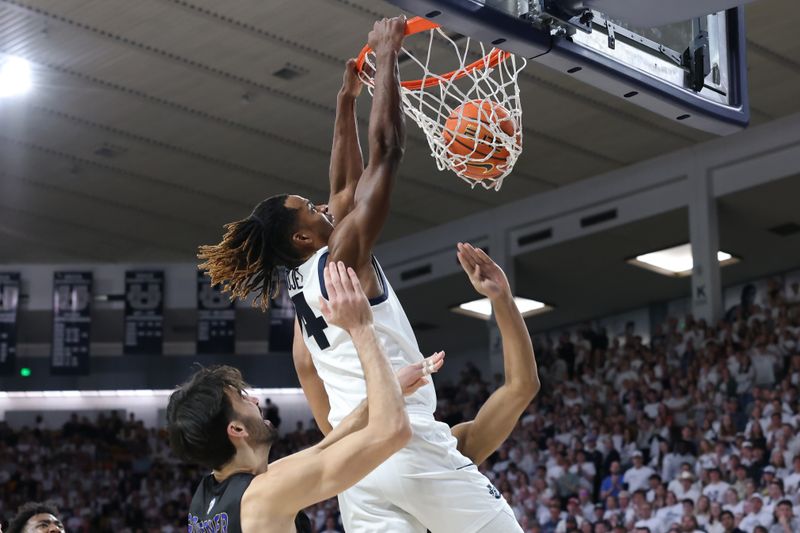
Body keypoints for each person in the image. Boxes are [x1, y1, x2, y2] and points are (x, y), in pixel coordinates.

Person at [197, 12, 533, 532]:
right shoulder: (341, 258)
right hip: (407, 441)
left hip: (357, 472)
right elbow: (387, 153)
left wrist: (346, 102)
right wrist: (387, 59)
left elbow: (342, 190)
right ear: (303, 237)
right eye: (309, 208)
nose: (323, 206)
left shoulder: (302, 283)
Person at [166, 262, 414, 532]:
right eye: (244, 399)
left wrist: (388, 389)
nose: (256, 401)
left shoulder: (205, 498)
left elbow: (323, 448)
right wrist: (361, 327)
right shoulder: (264, 494)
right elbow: (393, 431)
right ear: (235, 429)